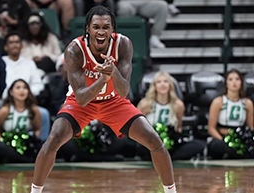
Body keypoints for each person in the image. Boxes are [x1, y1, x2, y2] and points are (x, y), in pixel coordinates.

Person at [31, 6, 176, 193]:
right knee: (54, 139)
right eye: (96, 27)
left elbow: (123, 91)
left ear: (113, 30)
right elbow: (82, 98)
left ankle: (171, 191)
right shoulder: (75, 50)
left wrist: (113, 72)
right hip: (81, 103)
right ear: (87, 29)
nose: (101, 31)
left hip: (114, 102)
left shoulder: (123, 44)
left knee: (154, 140)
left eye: (106, 27)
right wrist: (103, 79)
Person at [137, 71, 206, 160]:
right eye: (159, 82)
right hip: (150, 142)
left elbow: (179, 127)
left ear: (170, 85)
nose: (163, 84)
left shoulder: (178, 105)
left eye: (166, 81)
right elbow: (137, 127)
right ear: (154, 86)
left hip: (170, 143)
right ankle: (163, 158)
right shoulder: (145, 104)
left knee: (199, 145)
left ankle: (167, 157)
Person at [2, 32, 51, 142]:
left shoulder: (29, 63)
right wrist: (12, 95)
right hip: (5, 102)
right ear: (6, 47)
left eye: (17, 42)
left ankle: (42, 148)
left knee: (43, 113)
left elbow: (38, 84)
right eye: (11, 43)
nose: (15, 45)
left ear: (21, 46)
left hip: (27, 102)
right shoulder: (0, 62)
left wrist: (23, 94)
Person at [0, 79, 42, 163]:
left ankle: (23, 159)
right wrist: (3, 140)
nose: (22, 90)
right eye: (18, 88)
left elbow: (37, 129)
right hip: (10, 144)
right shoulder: (5, 110)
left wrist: (32, 140)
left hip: (26, 144)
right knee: (0, 148)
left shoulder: (34, 110)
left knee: (43, 146)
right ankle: (28, 161)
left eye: (25, 88)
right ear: (11, 92)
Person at [208, 69, 254, 159]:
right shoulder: (218, 101)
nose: (234, 82)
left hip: (240, 138)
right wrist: (223, 140)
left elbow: (250, 127)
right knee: (216, 145)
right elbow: (211, 128)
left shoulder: (247, 103)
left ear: (241, 83)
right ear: (226, 83)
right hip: (223, 138)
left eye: (237, 79)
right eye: (230, 79)